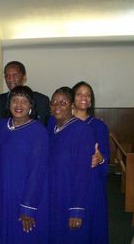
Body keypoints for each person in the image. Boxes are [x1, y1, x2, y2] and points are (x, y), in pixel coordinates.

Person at [0, 85, 48, 244]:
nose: (18, 105)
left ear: (31, 106)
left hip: (25, 194)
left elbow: (37, 172)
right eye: (14, 100)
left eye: (24, 101)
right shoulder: (0, 126)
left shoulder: (38, 131)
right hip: (2, 194)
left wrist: (28, 206)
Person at [48, 86, 95, 243]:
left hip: (71, 196)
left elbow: (83, 174)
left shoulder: (82, 131)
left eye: (63, 102)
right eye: (54, 102)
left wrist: (77, 210)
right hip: (54, 194)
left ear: (72, 105)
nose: (57, 106)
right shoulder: (52, 129)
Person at [72, 81, 110, 244]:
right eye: (79, 93)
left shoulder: (98, 125)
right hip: (68, 180)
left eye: (88, 95)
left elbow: (106, 155)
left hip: (91, 180)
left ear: (91, 101)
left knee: (90, 222)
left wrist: (100, 158)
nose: (84, 97)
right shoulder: (60, 122)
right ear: (72, 98)